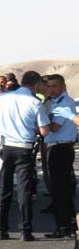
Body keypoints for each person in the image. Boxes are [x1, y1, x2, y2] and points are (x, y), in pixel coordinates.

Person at [0, 70, 50, 241]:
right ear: (36, 85)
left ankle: (1, 229)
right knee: (24, 190)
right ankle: (25, 230)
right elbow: (44, 130)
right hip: (24, 148)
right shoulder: (35, 102)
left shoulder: (4, 98)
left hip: (4, 146)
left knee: (2, 189)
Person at [42, 74, 77, 239]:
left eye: (54, 86)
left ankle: (63, 226)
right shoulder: (52, 102)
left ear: (63, 87)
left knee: (58, 190)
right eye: (48, 86)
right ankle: (68, 224)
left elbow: (54, 127)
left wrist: (39, 121)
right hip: (57, 147)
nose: (51, 89)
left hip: (60, 148)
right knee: (61, 189)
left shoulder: (65, 103)